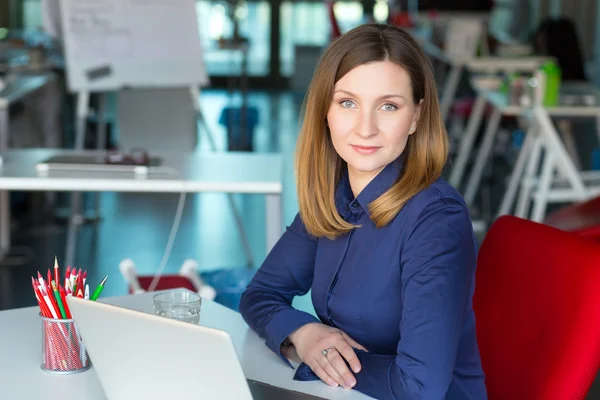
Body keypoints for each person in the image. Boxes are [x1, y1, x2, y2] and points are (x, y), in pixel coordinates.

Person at [239, 23, 487, 400]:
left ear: (416, 117)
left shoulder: (436, 220)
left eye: (388, 106)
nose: (365, 128)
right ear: (326, 110)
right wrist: (302, 335)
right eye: (348, 103)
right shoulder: (333, 196)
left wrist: (316, 362)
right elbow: (260, 294)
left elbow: (419, 387)